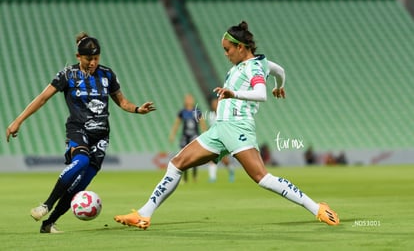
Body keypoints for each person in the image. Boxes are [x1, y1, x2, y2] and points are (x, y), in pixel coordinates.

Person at [114, 21, 339, 229]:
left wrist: (234, 93)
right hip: (220, 129)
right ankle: (144, 214)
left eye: (227, 49)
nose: (225, 54)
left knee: (262, 178)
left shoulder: (252, 68)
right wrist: (280, 85)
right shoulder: (259, 62)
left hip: (237, 127)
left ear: (241, 47)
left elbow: (261, 94)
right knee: (176, 164)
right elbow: (280, 70)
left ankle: (317, 208)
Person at [6, 32, 156, 233]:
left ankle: (49, 223)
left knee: (81, 185)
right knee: (81, 161)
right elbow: (42, 98)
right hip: (78, 129)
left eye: (96, 58)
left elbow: (122, 102)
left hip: (101, 135)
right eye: (88, 59)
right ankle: (46, 205)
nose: (93, 62)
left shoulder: (107, 75)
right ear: (78, 57)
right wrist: (18, 121)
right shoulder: (67, 75)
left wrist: (138, 109)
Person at [169, 94, 207, 183]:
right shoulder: (182, 112)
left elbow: (202, 123)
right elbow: (177, 124)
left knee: (194, 157)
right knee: (184, 157)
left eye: (191, 98)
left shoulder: (197, 111)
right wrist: (172, 134)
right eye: (187, 98)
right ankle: (185, 178)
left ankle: (194, 176)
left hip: (195, 136)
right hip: (185, 136)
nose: (189, 100)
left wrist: (205, 133)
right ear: (185, 100)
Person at [207, 97, 235, 183]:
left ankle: (231, 172)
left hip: (224, 139)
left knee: (224, 160)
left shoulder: (224, 114)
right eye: (213, 104)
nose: (215, 105)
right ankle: (212, 178)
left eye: (216, 103)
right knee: (212, 158)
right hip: (215, 139)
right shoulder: (211, 115)